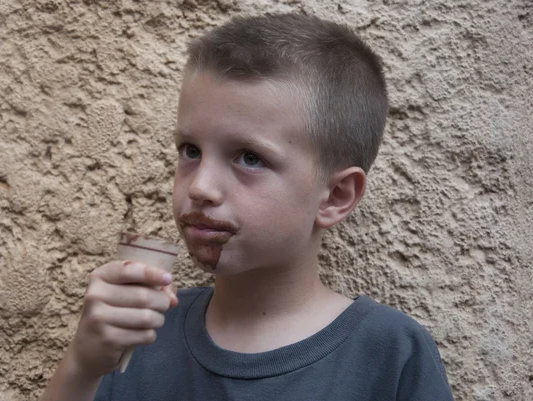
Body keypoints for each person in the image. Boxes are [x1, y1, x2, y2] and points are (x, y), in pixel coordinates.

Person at [40, 13, 454, 401]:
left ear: (335, 196)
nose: (200, 186)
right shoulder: (140, 332)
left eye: (249, 158)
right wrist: (81, 364)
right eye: (190, 150)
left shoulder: (391, 354)